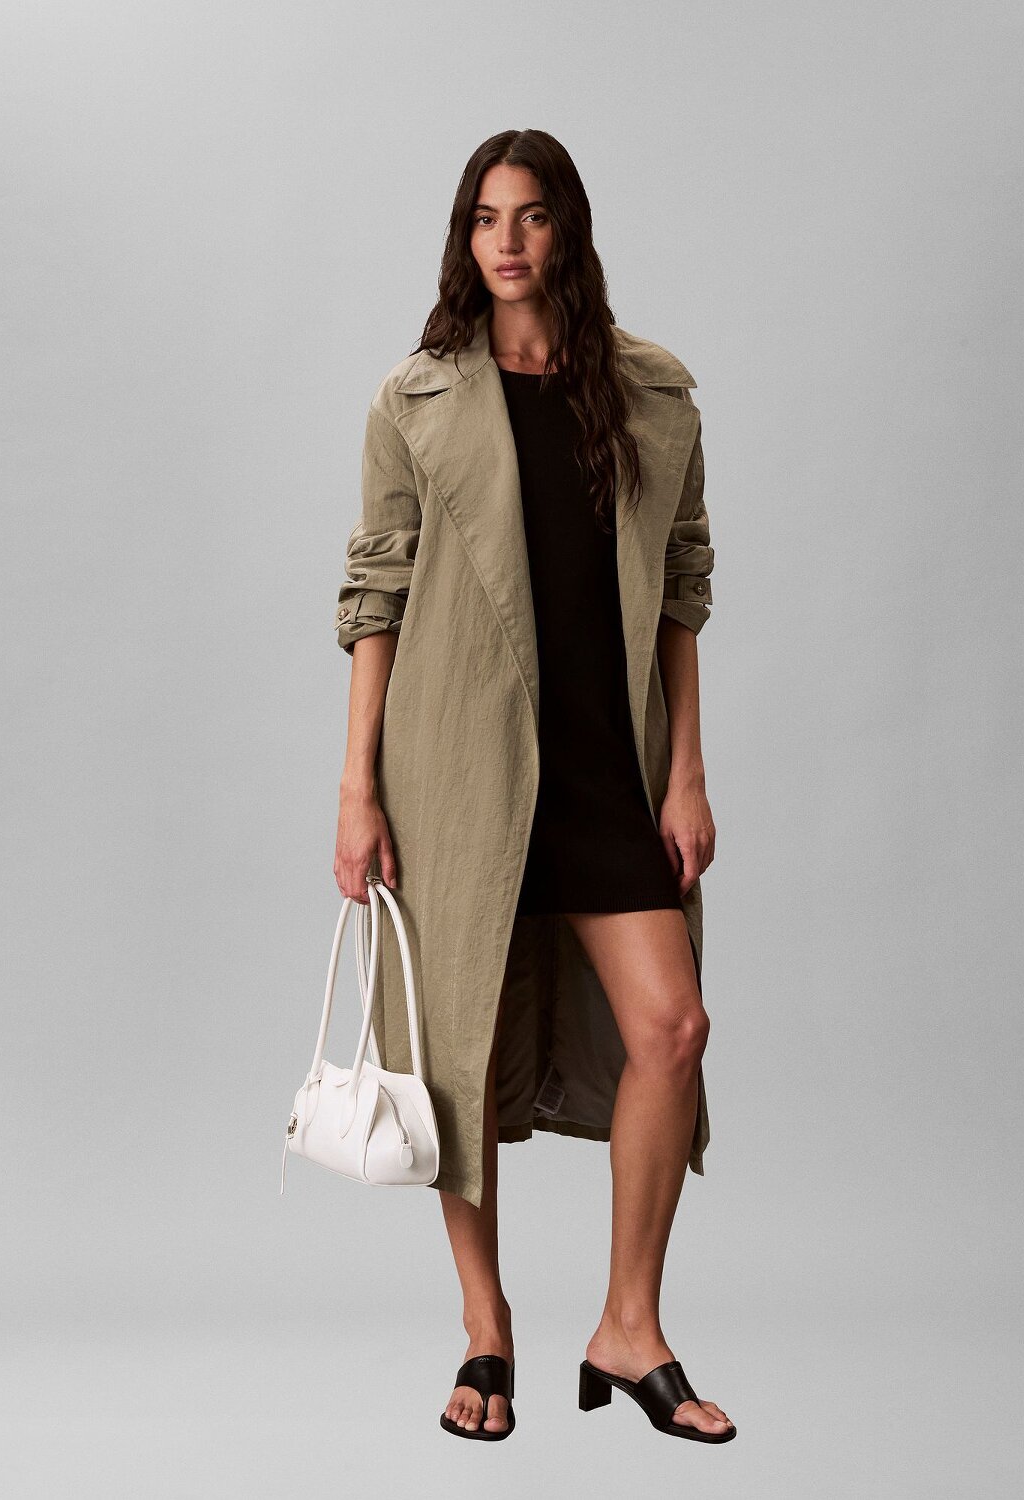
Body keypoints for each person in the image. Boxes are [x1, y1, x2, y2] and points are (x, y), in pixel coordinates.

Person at [332, 129, 733, 1444]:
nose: (506, 241)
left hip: (608, 768)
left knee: (671, 1029)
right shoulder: (417, 399)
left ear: (570, 230)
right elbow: (376, 596)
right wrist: (357, 788)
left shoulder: (652, 393)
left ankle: (630, 1325)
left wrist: (686, 771)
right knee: (462, 1056)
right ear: (466, 237)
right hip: (457, 768)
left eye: (533, 215)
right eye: (485, 218)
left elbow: (682, 591)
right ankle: (486, 1328)